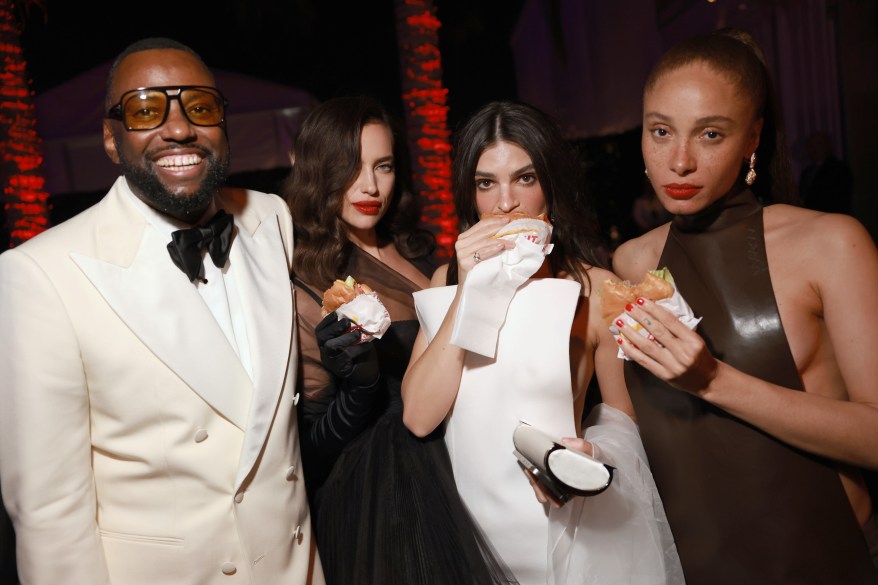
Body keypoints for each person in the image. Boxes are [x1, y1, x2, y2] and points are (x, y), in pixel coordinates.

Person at [0, 38, 323, 584]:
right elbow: (50, 514)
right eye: (146, 110)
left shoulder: (271, 219)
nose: (178, 129)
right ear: (111, 137)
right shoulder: (41, 273)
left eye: (199, 107)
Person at [612, 29, 878, 583]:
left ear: (752, 137)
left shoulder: (831, 244)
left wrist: (713, 381)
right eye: (660, 131)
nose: (679, 161)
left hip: (827, 564)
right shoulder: (632, 265)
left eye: (710, 134)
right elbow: (644, 435)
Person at [402, 100, 683, 585]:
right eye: (486, 183)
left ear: (549, 189)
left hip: (563, 523)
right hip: (467, 536)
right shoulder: (444, 280)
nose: (505, 203)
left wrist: (592, 456)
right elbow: (419, 417)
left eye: (525, 179)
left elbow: (624, 419)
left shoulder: (594, 289)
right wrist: (468, 288)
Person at [286, 96, 515, 585]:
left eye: (383, 166)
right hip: (389, 488)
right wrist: (359, 388)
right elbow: (309, 448)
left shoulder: (414, 248)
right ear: (315, 171)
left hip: (466, 450)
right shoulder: (304, 282)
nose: (370, 185)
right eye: (350, 167)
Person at [799, 129, 854, 214]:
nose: (814, 149)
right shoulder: (807, 172)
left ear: (827, 145)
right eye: (811, 145)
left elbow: (840, 199)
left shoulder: (839, 169)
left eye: (818, 144)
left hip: (832, 218)